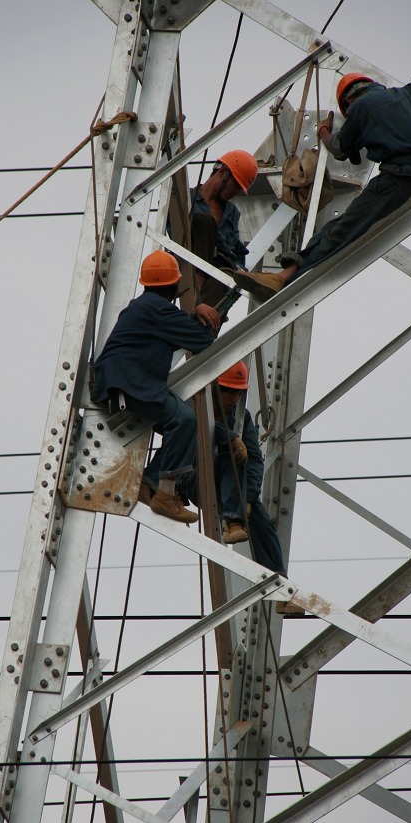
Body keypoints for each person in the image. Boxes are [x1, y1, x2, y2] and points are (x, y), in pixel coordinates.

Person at [232, 73, 411, 300]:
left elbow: (339, 148)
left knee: (340, 230)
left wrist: (323, 131)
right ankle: (285, 274)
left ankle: (284, 277)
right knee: (342, 226)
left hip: (395, 179)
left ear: (347, 102)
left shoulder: (360, 108)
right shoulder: (405, 94)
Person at [91, 250, 220, 524]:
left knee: (182, 427)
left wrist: (191, 314)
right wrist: (202, 312)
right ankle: (164, 494)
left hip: (121, 380)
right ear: (173, 285)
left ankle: (151, 481)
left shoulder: (146, 307)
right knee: (184, 421)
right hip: (129, 382)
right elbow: (200, 340)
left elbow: (176, 328)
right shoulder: (160, 310)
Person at [177, 360, 287, 576]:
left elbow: (255, 460)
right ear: (215, 388)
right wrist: (230, 437)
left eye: (239, 394)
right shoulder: (194, 403)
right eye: (229, 393)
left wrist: (248, 497)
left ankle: (278, 578)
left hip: (229, 488)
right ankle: (234, 521)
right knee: (231, 451)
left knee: (260, 517)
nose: (234, 399)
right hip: (191, 480)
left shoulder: (240, 417)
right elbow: (198, 427)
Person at [188, 150, 258, 312]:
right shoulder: (186, 198)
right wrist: (218, 246)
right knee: (204, 222)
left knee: (227, 279)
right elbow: (173, 231)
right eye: (236, 185)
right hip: (186, 267)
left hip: (215, 276)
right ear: (222, 172)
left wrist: (240, 272)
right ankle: (195, 298)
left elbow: (237, 251)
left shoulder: (232, 212)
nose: (237, 192)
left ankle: (201, 331)